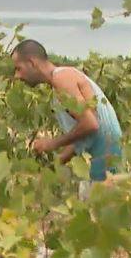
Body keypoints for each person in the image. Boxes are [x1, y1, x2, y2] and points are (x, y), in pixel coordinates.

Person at [10, 39, 124, 184]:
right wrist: (52, 168)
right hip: (106, 163)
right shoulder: (63, 78)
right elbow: (84, 134)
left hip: (105, 168)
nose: (17, 76)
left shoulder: (62, 79)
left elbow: (91, 124)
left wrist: (52, 143)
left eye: (18, 68)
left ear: (32, 63)